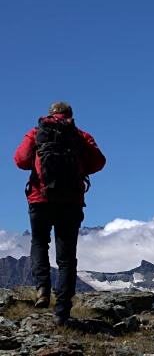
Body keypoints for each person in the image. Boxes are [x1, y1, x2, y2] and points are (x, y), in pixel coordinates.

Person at [14, 102, 106, 326]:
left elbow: (20, 160)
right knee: (66, 259)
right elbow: (99, 162)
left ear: (50, 115)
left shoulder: (36, 133)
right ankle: (62, 311)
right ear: (70, 116)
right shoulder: (80, 135)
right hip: (71, 202)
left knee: (39, 242)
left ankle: (43, 289)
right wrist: (79, 167)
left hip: (40, 199)